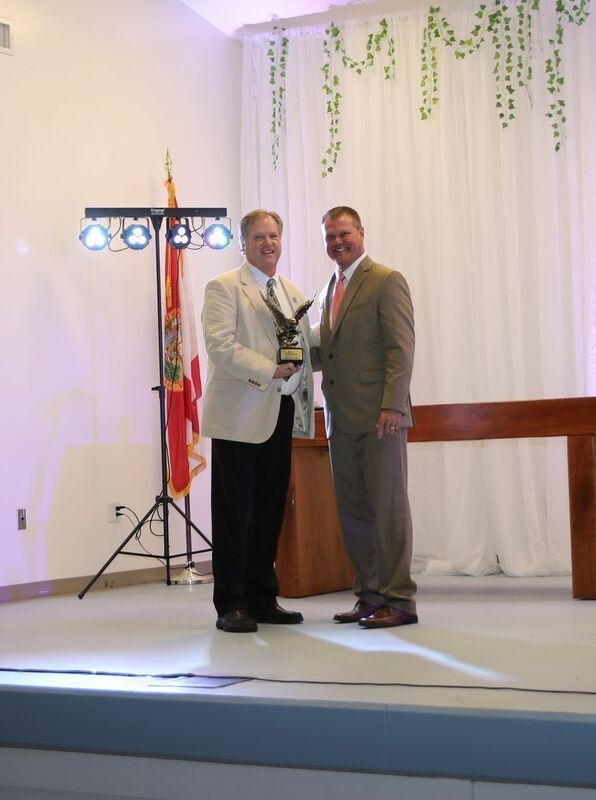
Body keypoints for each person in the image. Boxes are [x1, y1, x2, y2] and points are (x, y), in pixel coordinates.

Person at [201, 210, 315, 633]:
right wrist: (271, 370)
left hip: (280, 412)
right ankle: (230, 603)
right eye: (258, 236)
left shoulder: (290, 290)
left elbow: (302, 344)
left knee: (268, 510)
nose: (268, 243)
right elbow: (220, 346)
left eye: (273, 235)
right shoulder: (224, 287)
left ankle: (263, 597)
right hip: (239, 415)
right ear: (242, 243)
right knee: (235, 513)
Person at [313, 206, 417, 628]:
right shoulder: (328, 288)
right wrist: (289, 359)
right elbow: (330, 352)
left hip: (380, 417)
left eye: (343, 233)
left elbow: (401, 348)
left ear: (361, 232)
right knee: (354, 511)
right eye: (330, 236)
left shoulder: (386, 280)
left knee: (389, 510)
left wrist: (393, 404)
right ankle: (369, 595)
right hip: (340, 418)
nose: (337, 242)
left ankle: (399, 600)